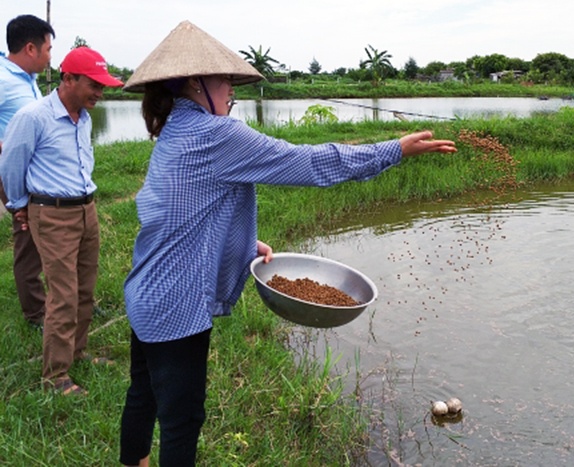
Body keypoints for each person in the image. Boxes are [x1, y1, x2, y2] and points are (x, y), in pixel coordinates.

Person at [118, 20, 456, 467]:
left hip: (145, 289)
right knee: (183, 417)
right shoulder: (215, 134)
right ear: (196, 85)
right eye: (225, 84)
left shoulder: (176, 129)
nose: (230, 95)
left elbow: (174, 214)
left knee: (143, 391)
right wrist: (392, 150)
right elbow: (305, 163)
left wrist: (238, 243)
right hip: (176, 303)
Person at [0, 46, 123, 395]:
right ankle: (55, 377)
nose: (99, 93)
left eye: (103, 87)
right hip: (52, 214)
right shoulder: (34, 116)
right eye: (94, 85)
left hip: (86, 210)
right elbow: (10, 165)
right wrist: (19, 205)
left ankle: (78, 353)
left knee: (85, 288)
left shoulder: (83, 118)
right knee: (64, 295)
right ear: (69, 79)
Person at [0, 14, 55, 328]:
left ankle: (59, 298)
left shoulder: (27, 80)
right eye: (48, 49)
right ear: (31, 48)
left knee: (48, 232)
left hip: (37, 173)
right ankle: (36, 313)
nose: (50, 57)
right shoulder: (3, 80)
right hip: (14, 173)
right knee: (27, 238)